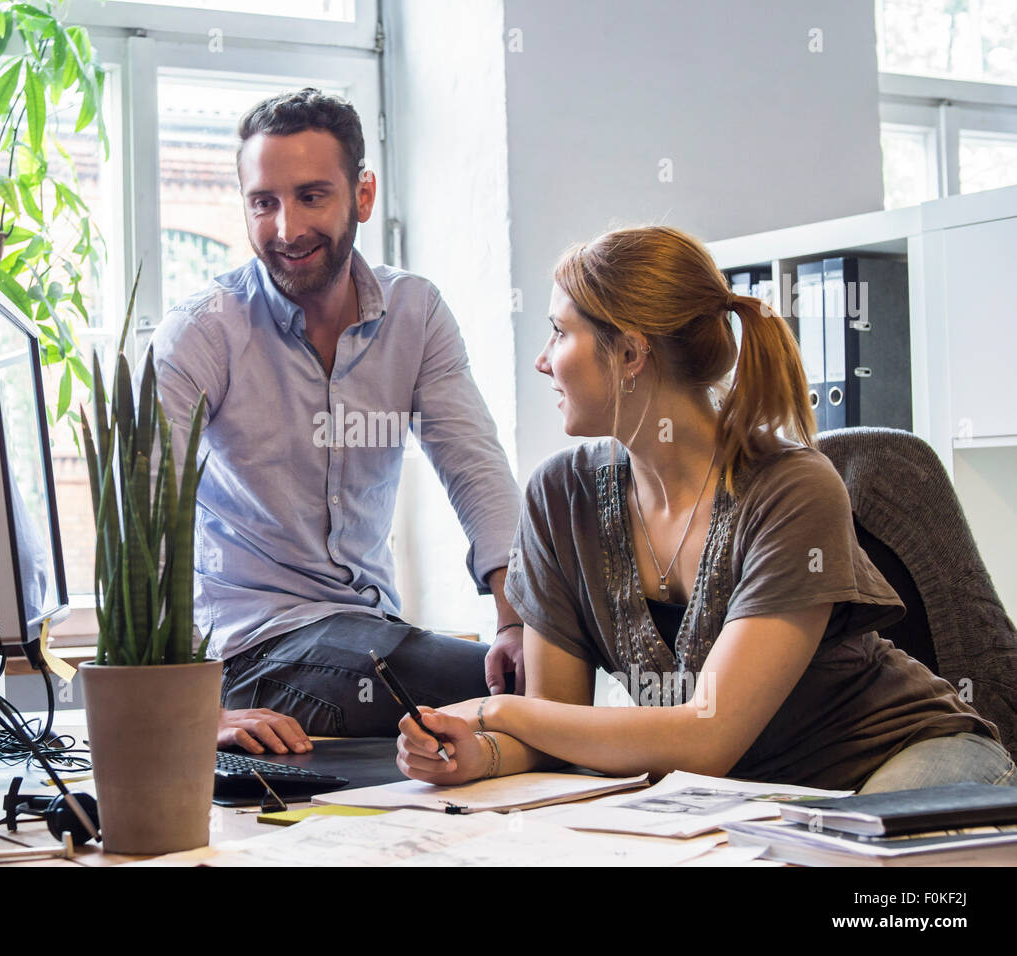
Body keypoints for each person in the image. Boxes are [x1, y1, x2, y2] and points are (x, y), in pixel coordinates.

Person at [396, 225, 1014, 794]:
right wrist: (483, 753)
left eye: (560, 332)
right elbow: (556, 729)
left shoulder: (792, 489)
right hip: (732, 799)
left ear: (631, 355)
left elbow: (707, 737)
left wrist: (494, 711)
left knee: (847, 866)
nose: (542, 359)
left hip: (895, 758)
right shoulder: (560, 498)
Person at [146, 89, 525, 755]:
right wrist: (187, 708)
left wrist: (515, 616)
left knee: (535, 672)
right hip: (250, 652)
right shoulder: (204, 328)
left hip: (365, 630)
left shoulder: (416, 313)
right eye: (263, 202)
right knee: (466, 689)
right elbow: (143, 519)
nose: (287, 227)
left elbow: (475, 466)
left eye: (312, 196)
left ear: (364, 195)